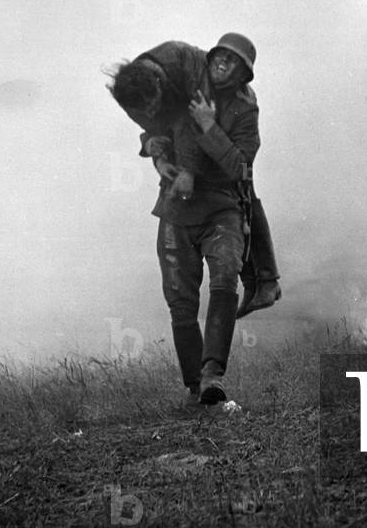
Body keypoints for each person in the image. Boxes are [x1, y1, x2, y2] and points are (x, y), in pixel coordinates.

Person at [108, 34, 280, 404]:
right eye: (221, 56)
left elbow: (241, 166)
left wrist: (209, 127)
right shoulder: (173, 77)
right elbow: (154, 127)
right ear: (211, 55)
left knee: (223, 282)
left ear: (244, 75)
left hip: (221, 204)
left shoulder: (245, 108)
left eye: (234, 62)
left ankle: (212, 377)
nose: (223, 64)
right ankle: (193, 388)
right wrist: (158, 158)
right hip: (176, 207)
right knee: (180, 302)